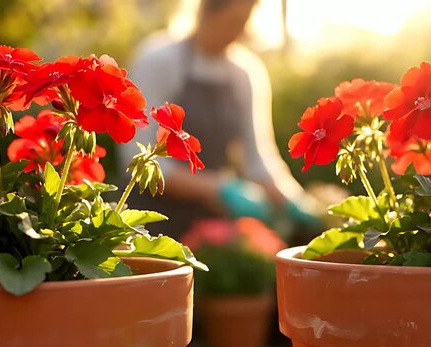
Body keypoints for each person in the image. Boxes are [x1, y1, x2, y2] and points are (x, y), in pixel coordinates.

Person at [120, 0, 319, 238]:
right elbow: (135, 157)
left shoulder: (245, 72)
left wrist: (294, 200)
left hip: (211, 228)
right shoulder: (160, 59)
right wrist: (218, 188)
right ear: (206, 11)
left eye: (245, 22)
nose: (239, 32)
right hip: (148, 221)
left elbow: (258, 160)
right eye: (233, 22)